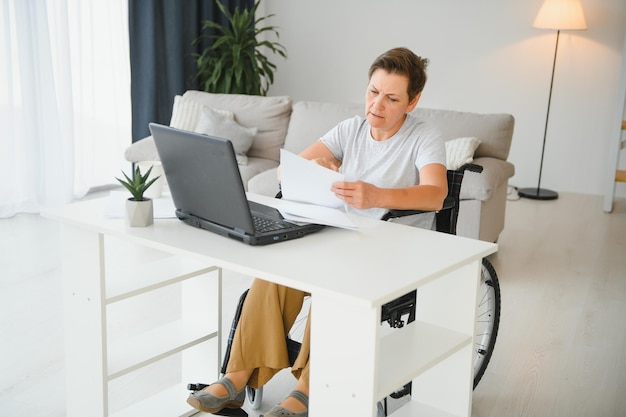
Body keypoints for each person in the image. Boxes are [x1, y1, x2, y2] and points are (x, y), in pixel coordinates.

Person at [186, 46, 448, 417]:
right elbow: (284, 171)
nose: (376, 105)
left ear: (413, 101)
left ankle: (307, 391)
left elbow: (436, 194)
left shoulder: (424, 137)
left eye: (391, 98)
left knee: (333, 286)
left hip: (393, 248)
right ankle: (236, 379)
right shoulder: (352, 129)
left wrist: (376, 194)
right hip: (340, 236)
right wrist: (321, 165)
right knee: (274, 275)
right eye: (373, 92)